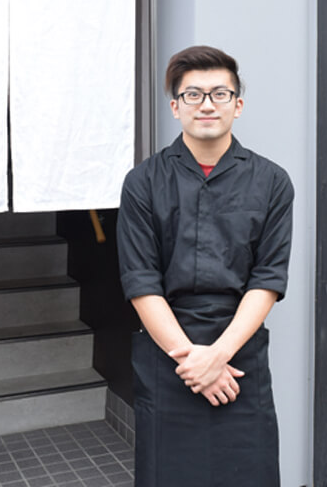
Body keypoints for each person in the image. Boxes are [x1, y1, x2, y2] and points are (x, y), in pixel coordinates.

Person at [116, 45, 293, 486]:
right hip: (168, 355)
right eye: (193, 95)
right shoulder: (143, 182)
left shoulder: (272, 181)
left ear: (238, 104)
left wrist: (218, 356)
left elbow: (267, 280)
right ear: (175, 107)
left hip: (238, 358)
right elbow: (141, 283)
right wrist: (193, 361)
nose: (208, 104)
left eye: (220, 93)